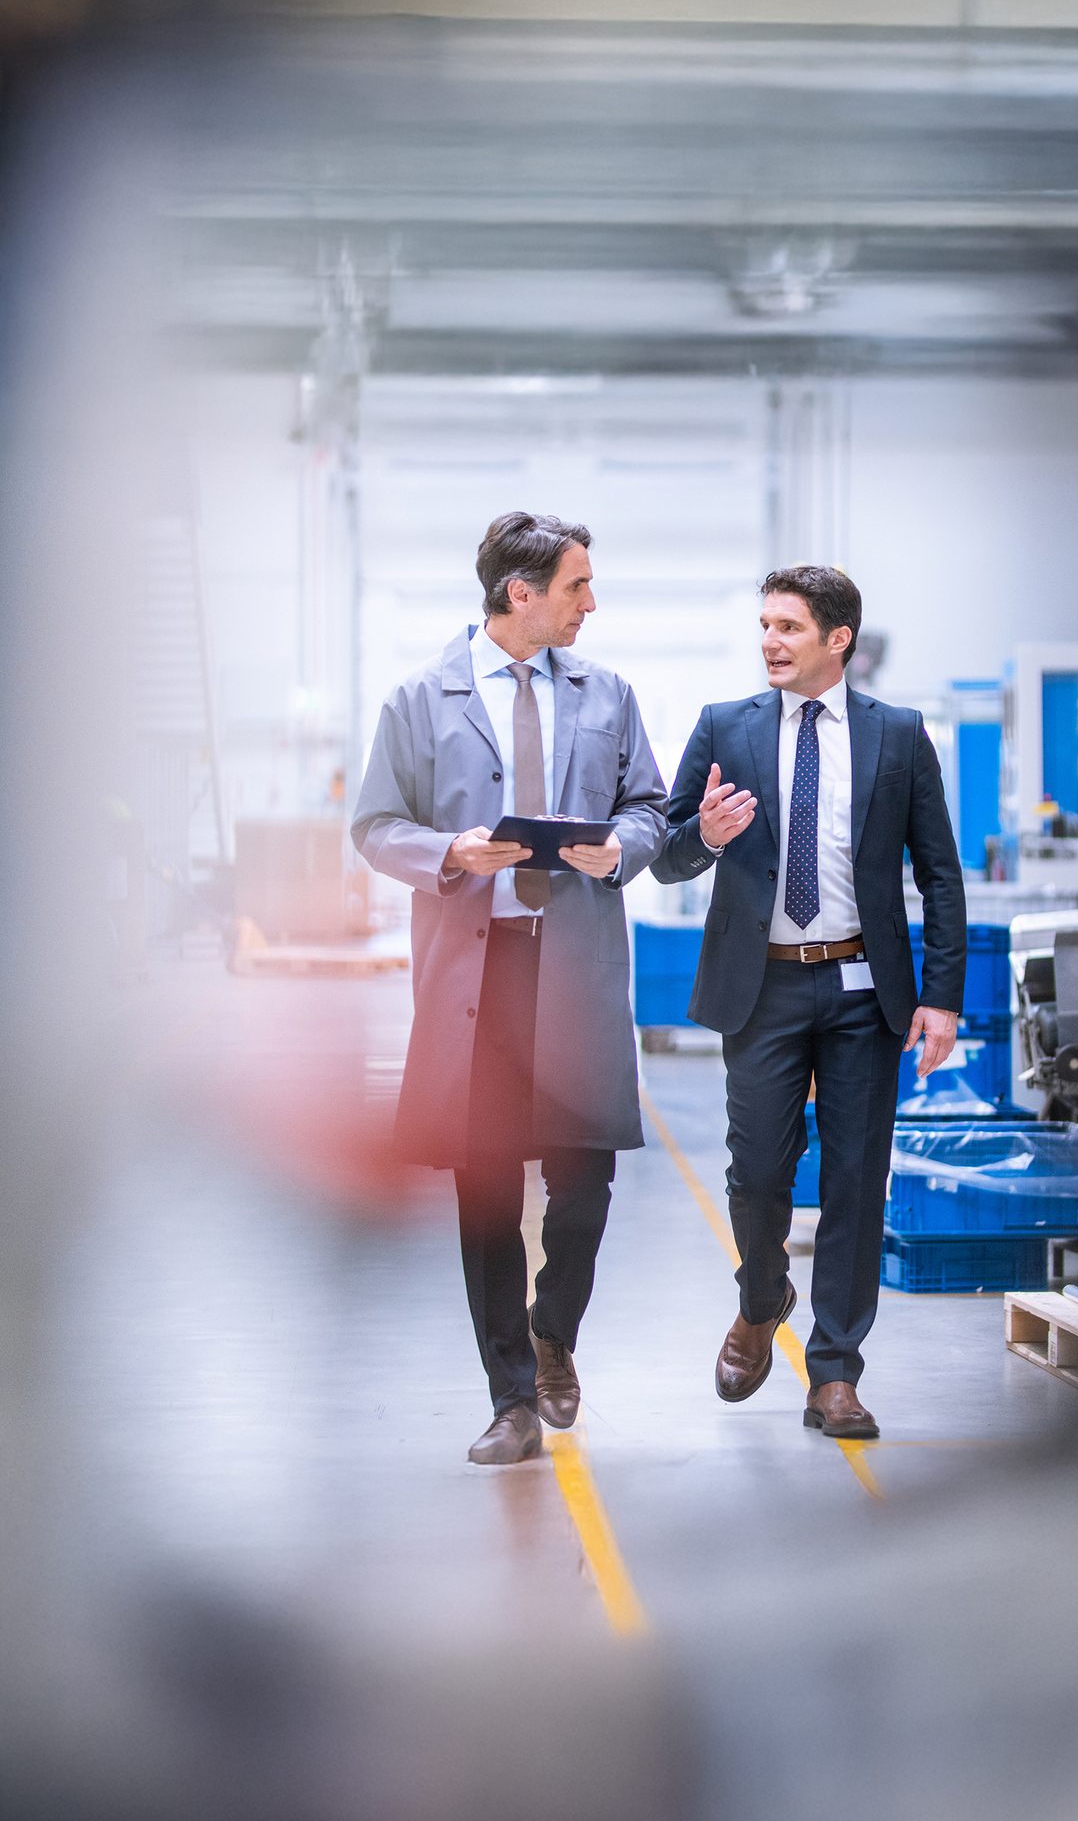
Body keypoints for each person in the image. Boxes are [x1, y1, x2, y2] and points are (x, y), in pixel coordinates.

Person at [353, 512, 668, 1465]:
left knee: (584, 1172)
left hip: (573, 958)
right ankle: (511, 1398)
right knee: (485, 1183)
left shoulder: (608, 693)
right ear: (518, 595)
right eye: (576, 586)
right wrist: (444, 850)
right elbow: (374, 824)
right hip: (477, 970)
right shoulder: (420, 698)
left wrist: (623, 848)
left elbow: (650, 805)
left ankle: (552, 1332)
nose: (591, 603)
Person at [651, 566, 966, 1439]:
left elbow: (939, 873)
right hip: (764, 985)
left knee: (858, 1182)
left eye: (789, 627)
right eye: (764, 626)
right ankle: (762, 1299)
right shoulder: (726, 728)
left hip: (866, 989)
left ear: (839, 641)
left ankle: (834, 1371)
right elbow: (668, 853)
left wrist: (941, 997)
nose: (770, 642)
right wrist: (702, 839)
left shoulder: (899, 737)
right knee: (757, 1171)